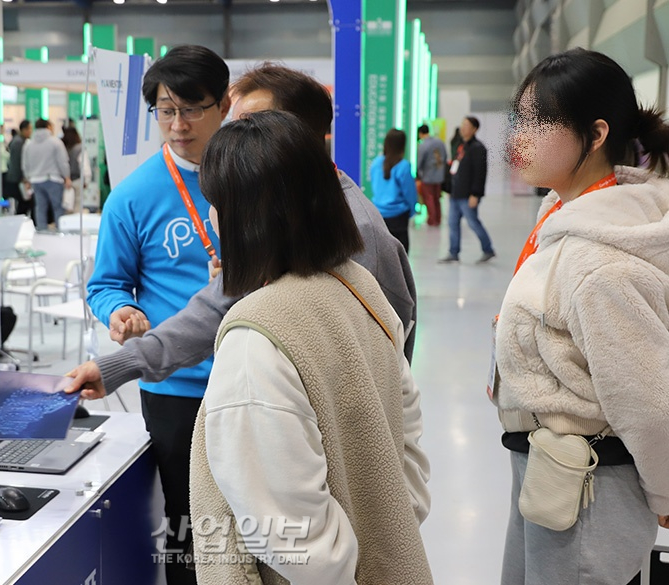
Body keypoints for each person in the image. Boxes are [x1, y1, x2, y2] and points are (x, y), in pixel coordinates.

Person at [66, 64, 427, 522]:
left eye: (249, 125)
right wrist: (120, 363)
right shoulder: (275, 214)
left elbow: (373, 378)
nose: (229, 138)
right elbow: (218, 303)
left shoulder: (357, 233)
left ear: (296, 137)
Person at [183, 111, 433, 583]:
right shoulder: (358, 286)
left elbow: (292, 538)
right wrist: (389, 525)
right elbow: (408, 439)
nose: (211, 214)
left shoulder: (257, 338)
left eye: (215, 202)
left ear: (244, 218)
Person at [496, 48, 669, 584]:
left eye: (537, 122)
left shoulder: (601, 264)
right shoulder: (561, 214)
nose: (517, 139)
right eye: (517, 120)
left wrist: (664, 492)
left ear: (595, 135)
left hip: (588, 488)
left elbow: (649, 400)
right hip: (549, 472)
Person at [83, 45, 229, 585]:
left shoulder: (253, 178)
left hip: (257, 380)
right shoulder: (133, 196)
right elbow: (106, 284)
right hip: (177, 390)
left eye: (191, 108)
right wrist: (122, 310)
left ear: (225, 104)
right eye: (165, 111)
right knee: (188, 526)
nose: (178, 123)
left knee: (262, 521)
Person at [439, 116, 495, 263]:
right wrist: (450, 189)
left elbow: (480, 173)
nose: (463, 128)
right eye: (462, 125)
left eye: (466, 125)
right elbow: (454, 168)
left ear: (474, 129)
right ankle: (453, 253)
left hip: (467, 194)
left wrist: (475, 194)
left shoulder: (478, 148)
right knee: (452, 223)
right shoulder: (461, 145)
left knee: (473, 223)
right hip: (456, 193)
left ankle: (488, 249)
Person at [369, 129, 418, 251]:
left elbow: (375, 187)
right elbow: (410, 193)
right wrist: (412, 210)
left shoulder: (375, 163)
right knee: (400, 254)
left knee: (383, 252)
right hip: (399, 216)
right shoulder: (404, 166)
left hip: (378, 214)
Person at [22, 119, 71, 229]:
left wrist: (27, 178)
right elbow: (62, 161)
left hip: (35, 180)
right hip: (53, 179)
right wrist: (67, 177)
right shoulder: (55, 142)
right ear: (48, 127)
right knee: (58, 208)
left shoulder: (29, 144)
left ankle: (41, 232)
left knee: (40, 208)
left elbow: (25, 164)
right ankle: (60, 232)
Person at [417, 124, 447, 226]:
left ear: (420, 133)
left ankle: (432, 220)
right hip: (439, 176)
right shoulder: (439, 142)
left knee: (429, 198)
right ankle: (438, 219)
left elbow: (419, 162)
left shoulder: (423, 145)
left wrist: (419, 173)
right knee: (437, 198)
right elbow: (445, 157)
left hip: (427, 176)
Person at [6, 120, 32, 217]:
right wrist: (23, 178)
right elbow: (18, 162)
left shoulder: (18, 141)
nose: (31, 132)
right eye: (29, 129)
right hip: (17, 179)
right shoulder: (19, 143)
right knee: (23, 203)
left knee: (22, 203)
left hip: (16, 177)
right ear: (24, 130)